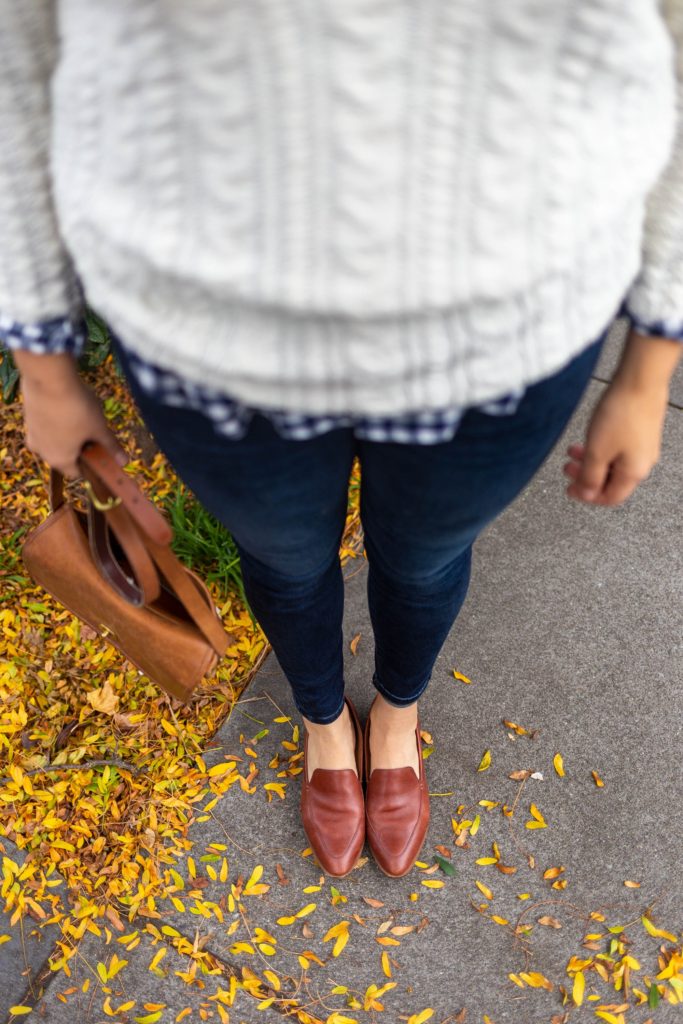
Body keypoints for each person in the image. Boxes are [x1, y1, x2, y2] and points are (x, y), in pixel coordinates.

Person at [2, 3, 681, 879]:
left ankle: (394, 715)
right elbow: (21, 54)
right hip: (210, 338)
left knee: (427, 560)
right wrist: (45, 365)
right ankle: (326, 724)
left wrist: (650, 362)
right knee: (284, 561)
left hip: (503, 336)